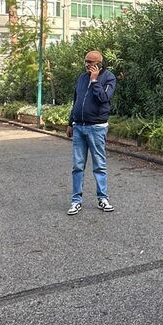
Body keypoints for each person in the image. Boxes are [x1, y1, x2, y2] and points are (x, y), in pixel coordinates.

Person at [66, 50, 117, 215]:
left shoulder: (109, 78)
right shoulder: (81, 78)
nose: (88, 64)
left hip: (97, 128)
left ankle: (103, 198)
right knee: (77, 165)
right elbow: (76, 101)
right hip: (79, 127)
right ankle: (76, 201)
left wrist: (95, 81)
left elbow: (104, 98)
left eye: (91, 62)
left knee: (99, 165)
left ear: (100, 64)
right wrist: (70, 123)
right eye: (86, 61)